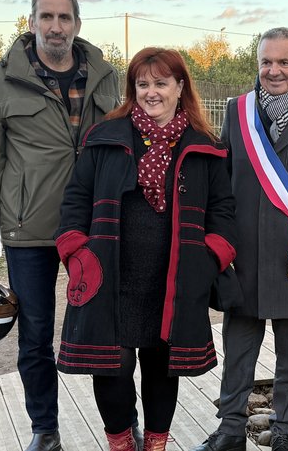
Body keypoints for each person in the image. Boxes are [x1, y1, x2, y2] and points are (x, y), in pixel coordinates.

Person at [0, 0, 120, 451]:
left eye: (64, 17)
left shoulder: (105, 76)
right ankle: (43, 430)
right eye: (46, 17)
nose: (56, 26)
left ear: (77, 24)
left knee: (103, 330)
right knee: (34, 336)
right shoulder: (0, 80)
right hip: (28, 228)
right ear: (31, 23)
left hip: (92, 226)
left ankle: (118, 429)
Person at [55, 48, 237, 451]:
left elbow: (224, 209)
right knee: (111, 366)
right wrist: (76, 250)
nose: (151, 92)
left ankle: (156, 443)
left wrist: (210, 257)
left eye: (160, 83)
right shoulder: (104, 137)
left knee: (161, 365)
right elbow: (75, 199)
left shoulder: (204, 145)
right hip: (111, 275)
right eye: (143, 84)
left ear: (180, 87)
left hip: (172, 276)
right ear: (132, 88)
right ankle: (121, 441)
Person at [194, 28, 288, 451]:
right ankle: (230, 430)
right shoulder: (238, 110)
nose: (274, 71)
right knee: (238, 349)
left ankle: (284, 431)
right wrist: (221, 242)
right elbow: (221, 182)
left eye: (284, 62)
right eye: (267, 62)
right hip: (242, 256)